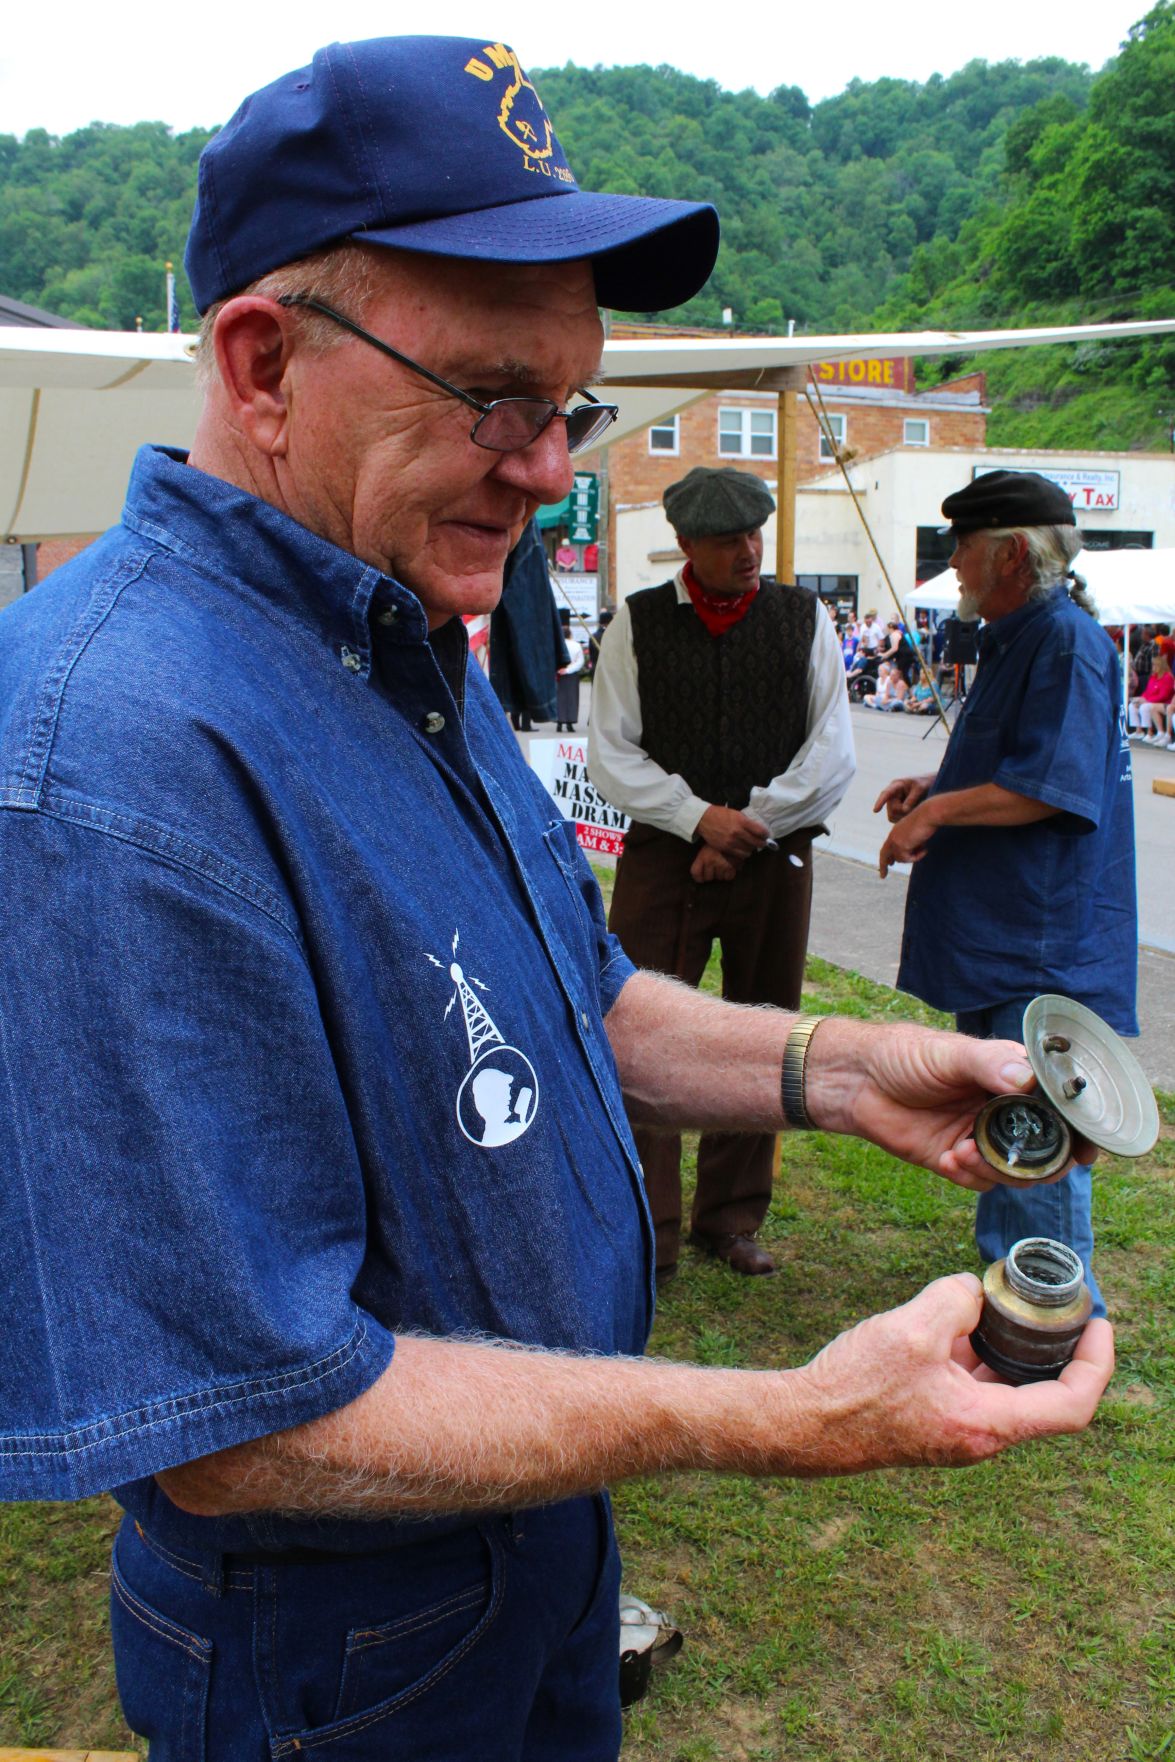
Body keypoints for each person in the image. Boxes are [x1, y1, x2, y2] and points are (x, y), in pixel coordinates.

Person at [0, 46, 1111, 1762]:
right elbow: (240, 1421)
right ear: (261, 362)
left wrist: (837, 1068)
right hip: (335, 1642)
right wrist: (789, 1418)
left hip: (538, 1535)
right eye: (493, 399)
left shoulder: (382, 632)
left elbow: (576, 996)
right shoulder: (116, 750)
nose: (548, 473)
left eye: (569, 408)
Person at [875, 469, 1136, 1324]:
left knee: (1035, 1136)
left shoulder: (1061, 640)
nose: (952, 562)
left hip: (1039, 942)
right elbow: (1020, 762)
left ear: (1011, 554)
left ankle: (1048, 1325)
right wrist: (936, 780)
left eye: (963, 545)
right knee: (1008, 1127)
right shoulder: (1021, 633)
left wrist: (940, 812)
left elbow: (1054, 789)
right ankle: (1016, 1293)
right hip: (1006, 936)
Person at [588, 466, 856, 1279]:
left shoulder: (802, 618)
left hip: (773, 855)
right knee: (639, 1031)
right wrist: (697, 819)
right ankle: (649, 1223)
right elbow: (611, 752)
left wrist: (744, 829)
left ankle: (730, 1218)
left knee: (766, 1030)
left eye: (753, 535)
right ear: (683, 546)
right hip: (667, 855)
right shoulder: (633, 625)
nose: (746, 551)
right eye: (726, 540)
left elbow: (832, 752)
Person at [555, 605, 585, 731]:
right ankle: (570, 723)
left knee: (559, 698)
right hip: (571, 674)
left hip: (558, 673)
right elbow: (580, 661)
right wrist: (569, 669)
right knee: (572, 698)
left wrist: (559, 670)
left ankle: (559, 723)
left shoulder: (556, 645)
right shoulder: (576, 645)